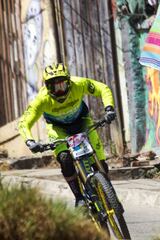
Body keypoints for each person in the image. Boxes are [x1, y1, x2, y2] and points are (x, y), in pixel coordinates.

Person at [18, 63, 116, 207]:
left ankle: (109, 191)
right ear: (46, 87)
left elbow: (102, 88)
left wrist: (109, 108)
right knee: (65, 158)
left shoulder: (79, 84)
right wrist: (30, 141)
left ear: (69, 82)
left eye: (62, 85)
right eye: (54, 87)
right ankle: (79, 197)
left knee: (99, 161)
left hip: (82, 122)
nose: (59, 91)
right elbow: (24, 122)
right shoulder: (41, 99)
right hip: (58, 129)